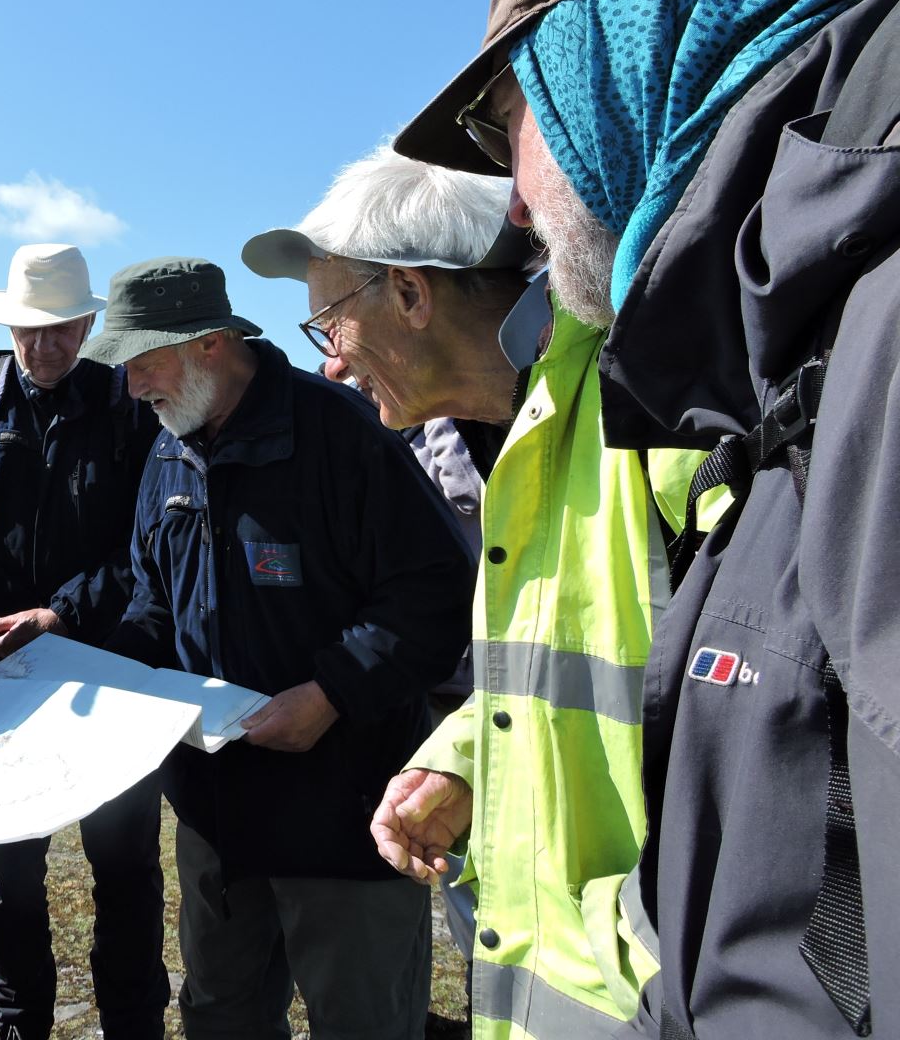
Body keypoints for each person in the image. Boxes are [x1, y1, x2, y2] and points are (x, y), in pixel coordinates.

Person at [392, 0, 900, 1034]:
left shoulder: (866, 332)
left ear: (618, 57)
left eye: (512, 117)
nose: (512, 203)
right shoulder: (776, 360)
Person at [246, 146, 711, 1040]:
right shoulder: (519, 432)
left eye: (330, 325)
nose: (332, 366)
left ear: (413, 295)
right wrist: (465, 755)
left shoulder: (654, 401)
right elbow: (571, 668)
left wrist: (654, 951)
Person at [79, 257, 474, 1040]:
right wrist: (97, 675)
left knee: (363, 1020)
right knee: (222, 1015)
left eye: (142, 362)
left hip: (345, 816)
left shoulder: (340, 432)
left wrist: (329, 694)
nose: (131, 388)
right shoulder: (167, 452)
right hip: (216, 821)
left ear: (210, 345)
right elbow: (155, 599)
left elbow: (435, 594)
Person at [0, 244, 168, 1040]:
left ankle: (134, 1025)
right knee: (8, 872)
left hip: (111, 671)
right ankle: (16, 1027)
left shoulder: (127, 403)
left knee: (126, 867)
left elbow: (146, 546)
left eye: (62, 330)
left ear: (87, 324)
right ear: (7, 325)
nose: (44, 349)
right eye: (29, 331)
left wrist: (63, 613)